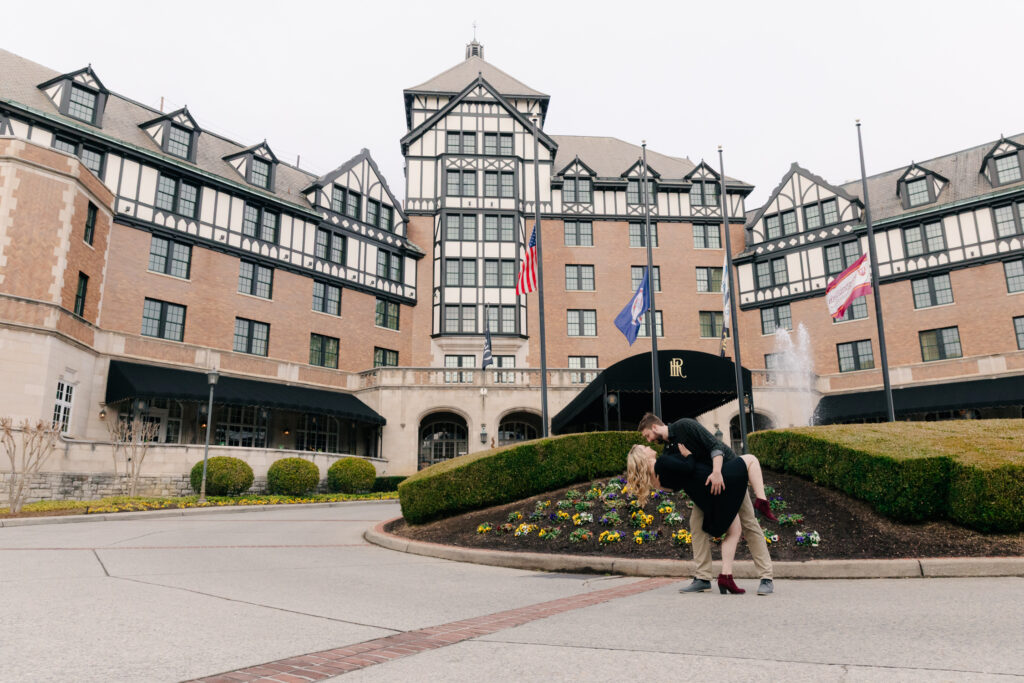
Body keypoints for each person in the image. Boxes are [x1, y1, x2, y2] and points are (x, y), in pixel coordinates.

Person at [634, 413, 776, 596]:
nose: (649, 440)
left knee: (748, 523)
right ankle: (702, 578)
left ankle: (766, 577)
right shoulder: (668, 451)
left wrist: (717, 473)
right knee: (696, 524)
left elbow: (715, 445)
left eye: (647, 436)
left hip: (726, 473)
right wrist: (660, 484)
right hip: (707, 488)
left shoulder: (684, 425)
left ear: (654, 428)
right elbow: (682, 478)